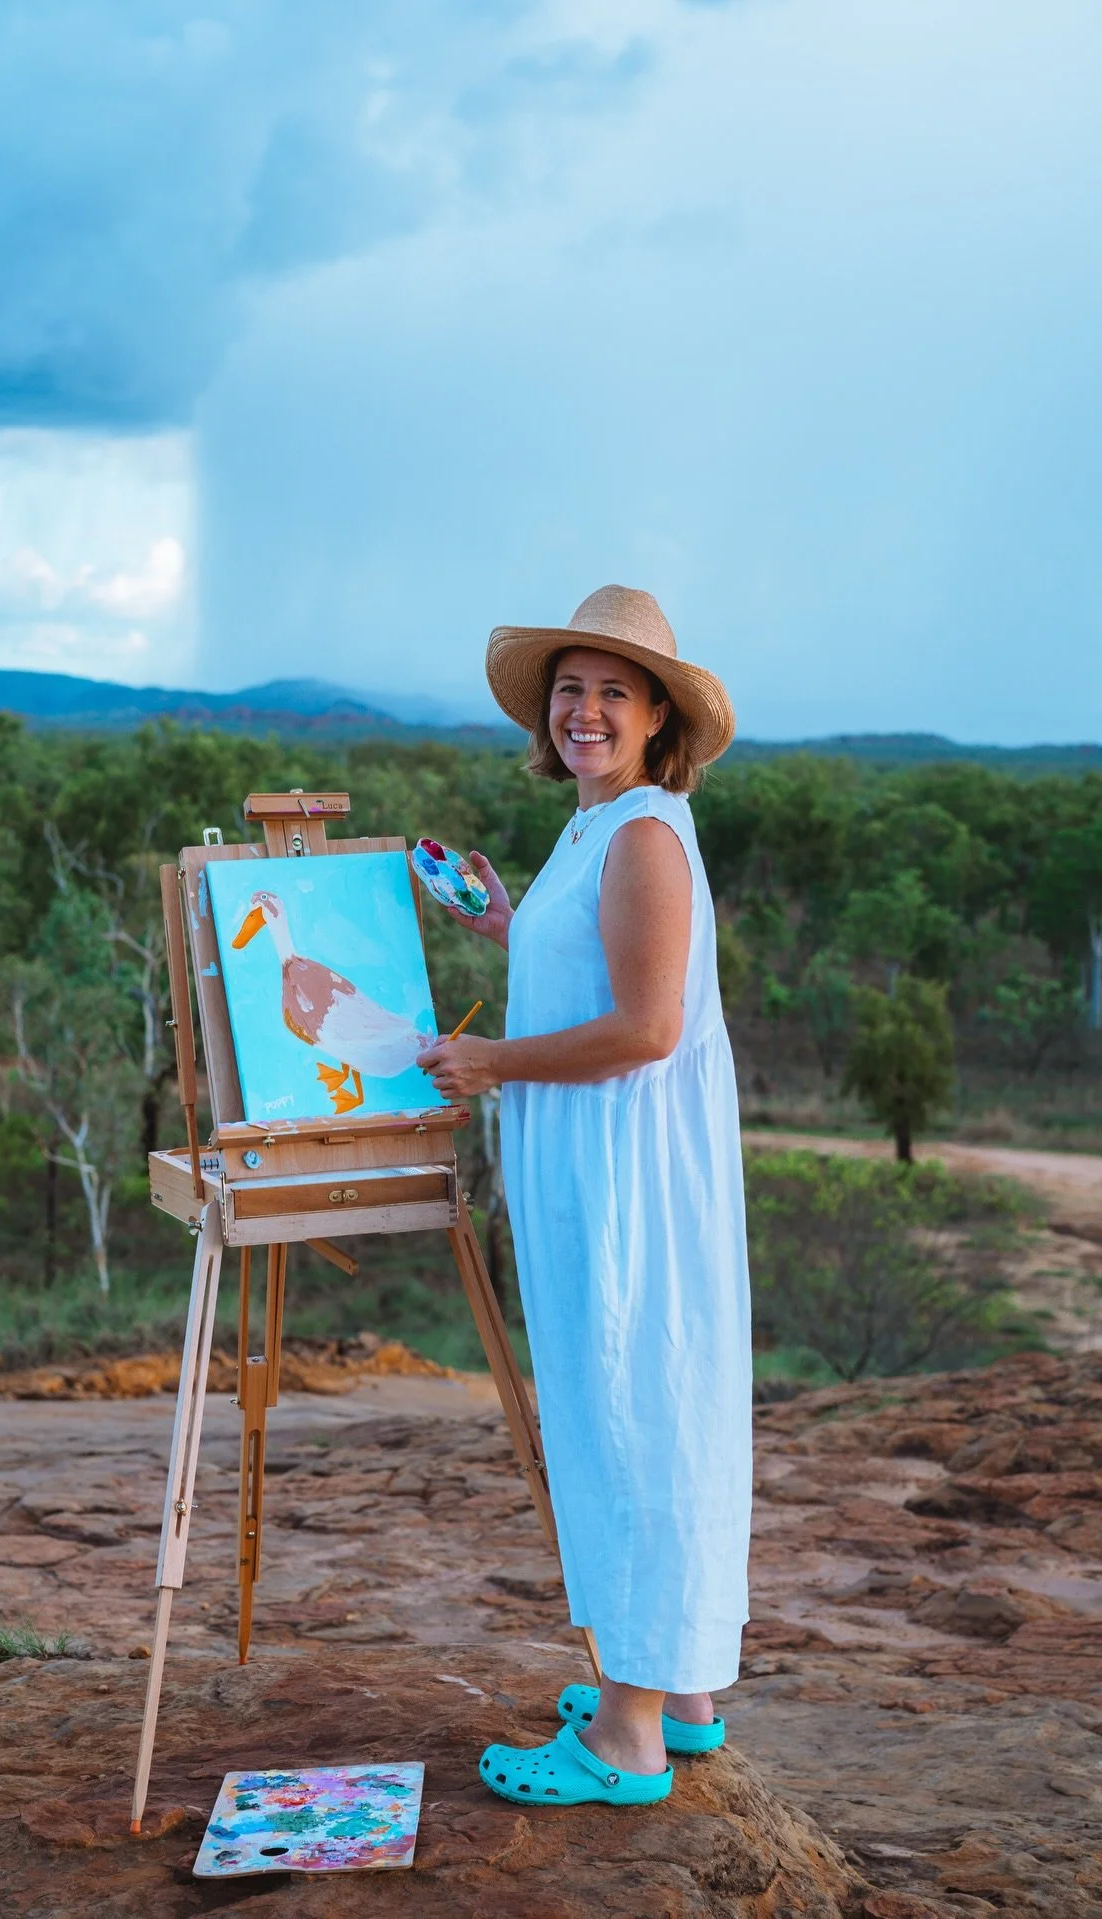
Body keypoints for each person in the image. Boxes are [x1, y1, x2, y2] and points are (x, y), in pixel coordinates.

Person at [417, 585, 751, 1810]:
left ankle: (626, 1736)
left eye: (616, 690)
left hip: (625, 1179)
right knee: (651, 1399)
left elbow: (648, 1028)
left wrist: (491, 1061)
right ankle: (682, 1691)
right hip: (602, 1164)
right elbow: (599, 968)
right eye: (571, 687)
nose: (587, 709)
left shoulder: (646, 834)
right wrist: (517, 922)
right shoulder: (598, 827)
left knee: (630, 1410)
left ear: (661, 716)